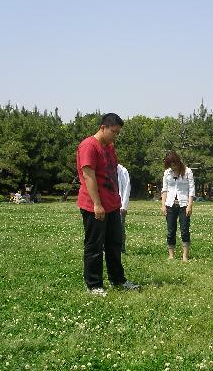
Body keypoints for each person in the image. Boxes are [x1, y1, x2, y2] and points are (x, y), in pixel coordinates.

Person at [77, 113, 140, 297]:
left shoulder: (109, 147)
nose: (116, 136)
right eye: (114, 132)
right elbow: (89, 176)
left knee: (114, 244)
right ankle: (94, 284)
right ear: (103, 128)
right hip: (94, 205)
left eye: (118, 133)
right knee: (94, 246)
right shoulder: (88, 146)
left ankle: (118, 279)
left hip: (112, 204)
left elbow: (112, 172)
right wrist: (97, 204)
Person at [161, 151, 195, 261]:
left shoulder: (188, 172)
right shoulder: (167, 173)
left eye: (174, 164)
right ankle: (171, 255)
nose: (172, 167)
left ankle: (185, 256)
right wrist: (163, 205)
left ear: (178, 162)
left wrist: (190, 205)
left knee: (184, 230)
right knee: (171, 231)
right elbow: (164, 189)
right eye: (170, 165)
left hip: (184, 204)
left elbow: (191, 190)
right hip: (170, 205)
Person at [117, 164, 131, 253]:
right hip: (106, 204)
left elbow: (126, 187)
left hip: (119, 205)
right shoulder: (103, 167)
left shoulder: (122, 170)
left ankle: (121, 249)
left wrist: (124, 205)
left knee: (120, 228)